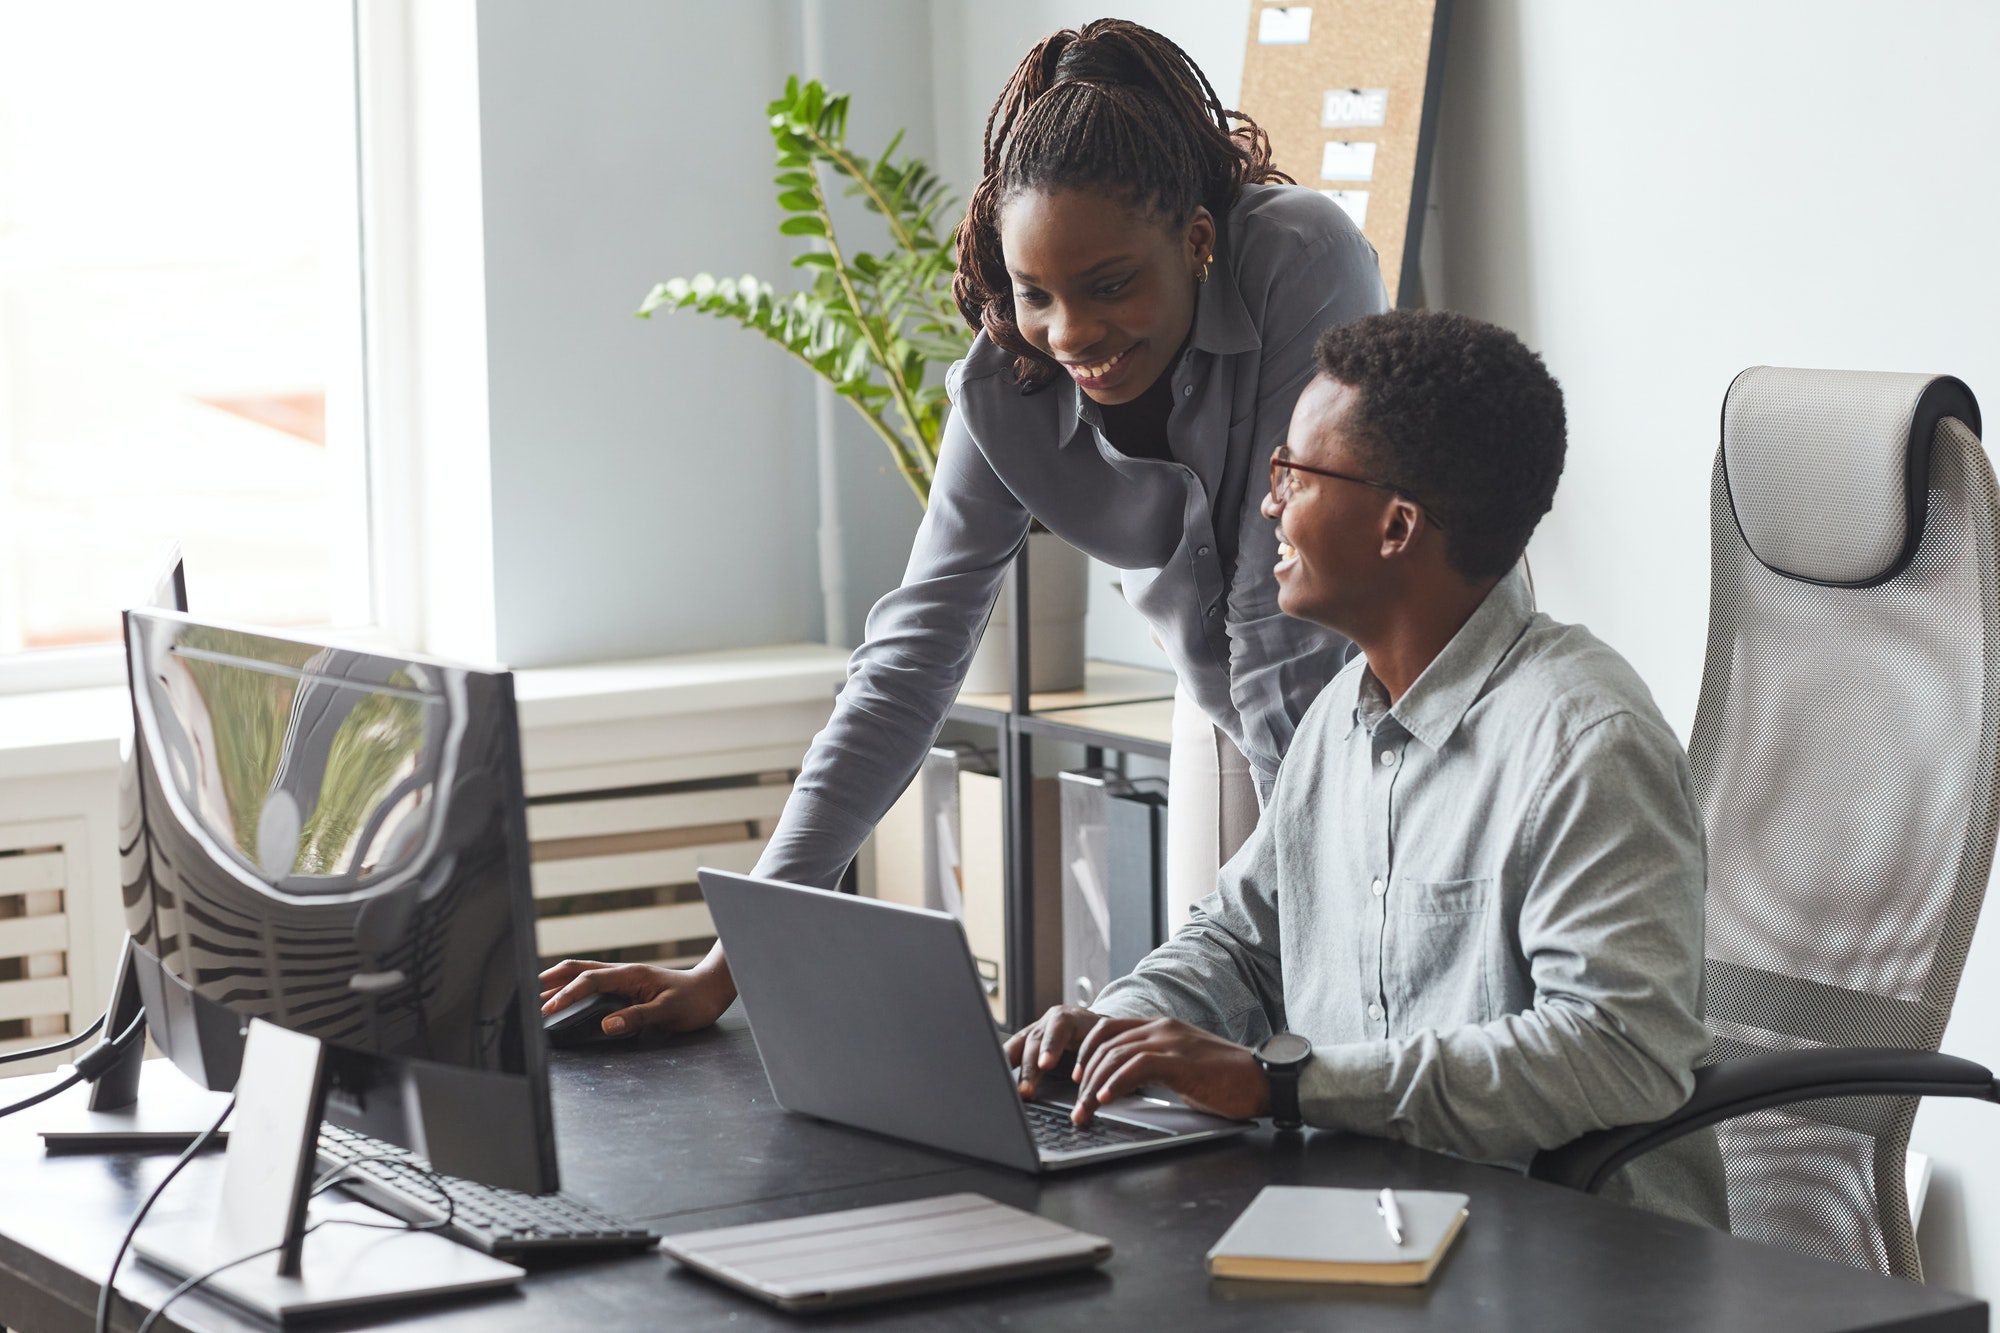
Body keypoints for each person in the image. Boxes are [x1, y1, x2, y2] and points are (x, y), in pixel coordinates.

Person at [541, 19, 1387, 1036]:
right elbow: (906, 667)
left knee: (1356, 1039)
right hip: (1224, 712)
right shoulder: (1005, 390)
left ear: (1196, 241)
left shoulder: (1299, 257)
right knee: (1208, 1066)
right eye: (1037, 294)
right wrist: (730, 965)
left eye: (1109, 284)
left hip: (1383, 705)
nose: (1070, 333)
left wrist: (1347, 901)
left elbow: (1277, 620)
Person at [1004, 309, 1727, 1228]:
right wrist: (1121, 1026)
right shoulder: (1342, 718)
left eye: (1294, 475)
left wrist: (1286, 1084)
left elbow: (1619, 1047)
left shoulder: (1587, 743)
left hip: (1570, 1262)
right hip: (1375, 1226)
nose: (1269, 503)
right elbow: (1239, 942)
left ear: (1396, 526)